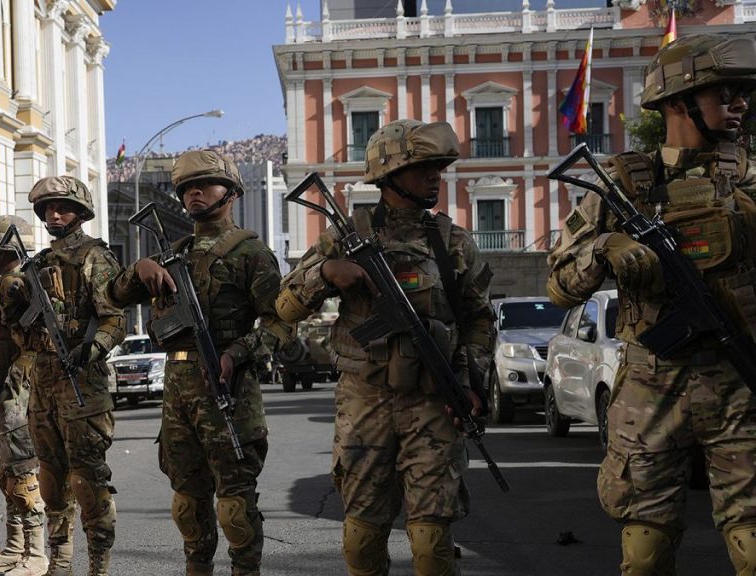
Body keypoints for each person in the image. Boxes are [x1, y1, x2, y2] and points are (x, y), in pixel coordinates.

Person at [547, 33, 756, 575]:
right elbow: (560, 287)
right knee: (645, 548)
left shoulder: (752, 179)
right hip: (651, 386)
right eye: (723, 92)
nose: (739, 103)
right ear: (678, 101)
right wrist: (604, 250)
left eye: (741, 92)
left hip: (740, 381)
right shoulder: (622, 185)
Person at [277, 120, 495, 576]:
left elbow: (478, 320)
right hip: (366, 401)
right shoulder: (345, 237)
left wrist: (471, 383)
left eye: (438, 166)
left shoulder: (453, 242)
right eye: (422, 167)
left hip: (434, 402)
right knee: (361, 539)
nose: (434, 176)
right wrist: (327, 273)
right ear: (389, 175)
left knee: (432, 543)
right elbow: (285, 306)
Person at [110, 150, 293, 576]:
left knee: (234, 505)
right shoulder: (172, 252)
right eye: (187, 186)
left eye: (205, 184)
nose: (194, 191)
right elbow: (112, 295)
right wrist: (139, 268)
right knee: (187, 504)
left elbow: (281, 321)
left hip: (228, 391)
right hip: (178, 395)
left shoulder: (251, 252)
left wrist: (238, 352)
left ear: (230, 193)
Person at [23, 175, 126, 575]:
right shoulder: (38, 266)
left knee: (88, 478)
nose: (55, 213)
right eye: (48, 208)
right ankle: (59, 562)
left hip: (82, 381)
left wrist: (91, 348)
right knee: (50, 478)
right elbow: (21, 332)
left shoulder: (94, 257)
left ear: (80, 213)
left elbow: (115, 320)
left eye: (63, 207)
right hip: (43, 383)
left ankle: (98, 563)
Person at [0, 215, 48, 575]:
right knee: (7, 473)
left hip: (15, 394)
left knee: (22, 473)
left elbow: (29, 347)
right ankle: (16, 546)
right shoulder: (2, 287)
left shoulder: (18, 285)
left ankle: (35, 554)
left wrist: (1, 393)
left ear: (4, 249)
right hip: (1, 393)